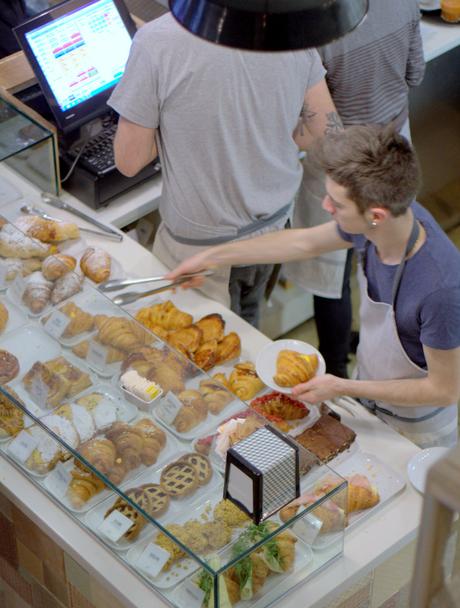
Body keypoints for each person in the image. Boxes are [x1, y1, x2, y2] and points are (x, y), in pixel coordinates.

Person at [166, 125, 460, 449]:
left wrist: (342, 387)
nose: (325, 206)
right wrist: (211, 258)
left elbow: (444, 389)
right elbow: (304, 243)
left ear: (376, 215)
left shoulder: (439, 291)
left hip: (416, 430)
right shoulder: (384, 223)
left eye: (337, 204)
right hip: (371, 393)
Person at [108, 11, 342, 328]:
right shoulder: (289, 20)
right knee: (247, 327)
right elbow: (321, 130)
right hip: (274, 228)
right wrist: (266, 133)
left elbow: (129, 161)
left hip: (203, 248)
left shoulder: (156, 41)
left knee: (203, 355)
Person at [285, 0, 426, 377]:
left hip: (340, 163)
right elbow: (415, 74)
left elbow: (318, 121)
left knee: (331, 273)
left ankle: (335, 371)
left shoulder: (314, 23)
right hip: (394, 148)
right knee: (389, 264)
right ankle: (388, 361)